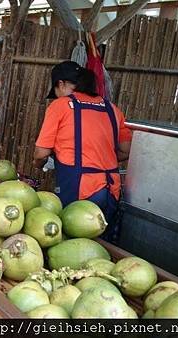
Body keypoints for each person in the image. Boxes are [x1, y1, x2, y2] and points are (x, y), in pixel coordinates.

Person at [32, 61, 132, 242]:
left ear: (60, 84)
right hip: (111, 189)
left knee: (72, 243)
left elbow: (41, 153)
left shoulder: (60, 106)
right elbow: (126, 151)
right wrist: (100, 160)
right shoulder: (112, 109)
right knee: (102, 244)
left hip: (80, 189)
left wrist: (37, 165)